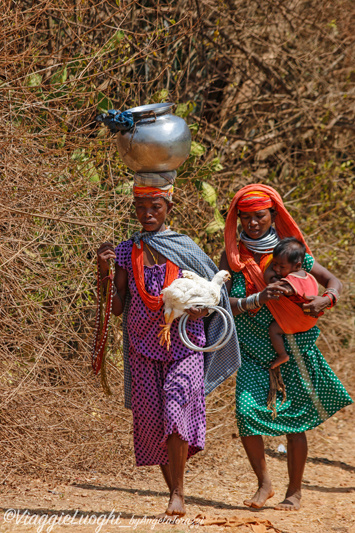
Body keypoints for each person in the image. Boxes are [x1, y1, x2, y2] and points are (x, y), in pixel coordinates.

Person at [97, 171, 239, 517]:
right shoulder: (126, 251)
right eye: (140, 206)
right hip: (142, 345)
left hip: (184, 342)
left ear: (168, 206)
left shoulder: (184, 247)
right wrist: (103, 272)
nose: (147, 213)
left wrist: (203, 308)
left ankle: (178, 493)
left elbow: (214, 292)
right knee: (152, 418)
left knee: (176, 408)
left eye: (155, 206)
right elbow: (116, 307)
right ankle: (172, 489)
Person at [220, 184, 353, 511]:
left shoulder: (291, 252)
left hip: (294, 347)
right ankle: (264, 484)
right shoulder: (234, 256)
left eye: (259, 216)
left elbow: (334, 281)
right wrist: (257, 298)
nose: (252, 223)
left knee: (297, 420)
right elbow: (221, 302)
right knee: (246, 413)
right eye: (245, 217)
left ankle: (294, 492)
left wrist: (327, 298)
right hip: (252, 351)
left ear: (273, 215)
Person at [264, 237, 320, 369]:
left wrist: (276, 285)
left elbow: (288, 289)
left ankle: (283, 355)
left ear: (297, 266)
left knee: (274, 329)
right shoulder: (308, 276)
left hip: (298, 320)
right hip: (311, 320)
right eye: (274, 264)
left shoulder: (291, 280)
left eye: (281, 266)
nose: (277, 269)